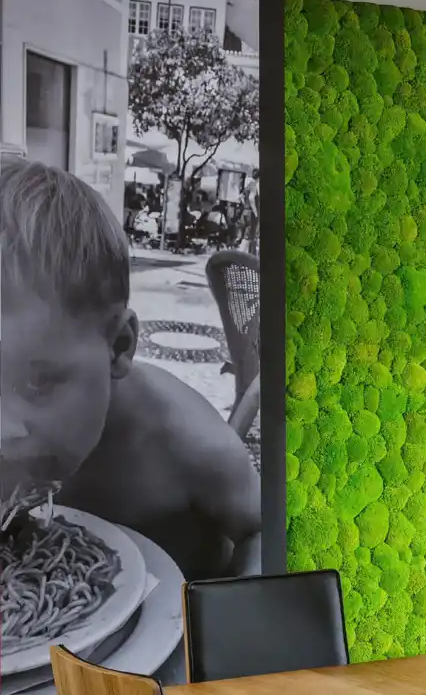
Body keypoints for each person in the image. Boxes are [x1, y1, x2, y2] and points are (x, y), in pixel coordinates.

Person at [0, 159, 261, 580]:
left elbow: (262, 532)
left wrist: (231, 624)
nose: (4, 429)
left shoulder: (184, 441)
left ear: (118, 347)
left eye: (35, 381)